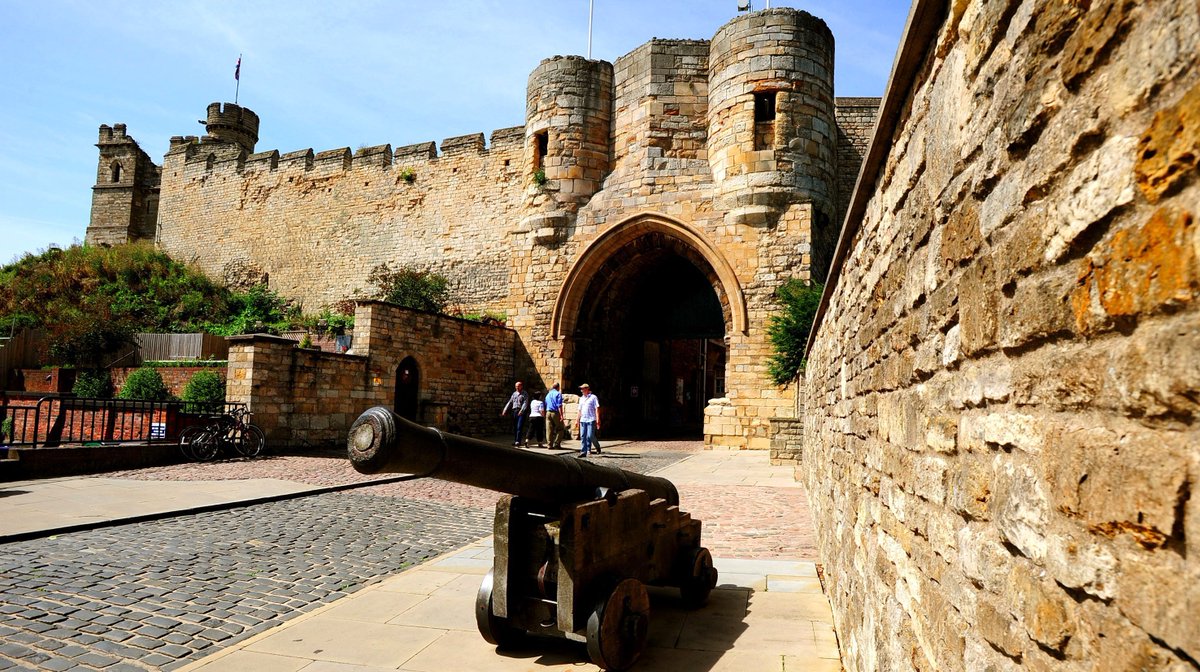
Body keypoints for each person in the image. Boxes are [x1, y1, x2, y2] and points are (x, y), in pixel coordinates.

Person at [500, 381, 530, 446]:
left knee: (519, 426)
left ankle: (518, 441)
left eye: (518, 386)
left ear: (521, 386)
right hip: (514, 411)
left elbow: (525, 403)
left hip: (521, 411)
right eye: (516, 386)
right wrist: (505, 409)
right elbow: (510, 402)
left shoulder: (525, 394)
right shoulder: (514, 394)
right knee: (515, 427)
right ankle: (516, 440)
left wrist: (521, 411)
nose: (517, 387)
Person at [577, 383, 600, 457]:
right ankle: (584, 451)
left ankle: (597, 447)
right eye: (581, 389)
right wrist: (577, 419)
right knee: (583, 435)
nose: (581, 390)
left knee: (590, 436)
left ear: (587, 389)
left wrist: (598, 419)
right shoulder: (581, 398)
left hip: (591, 419)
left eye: (582, 388)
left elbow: (597, 408)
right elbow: (579, 410)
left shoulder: (593, 397)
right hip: (583, 419)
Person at [545, 382, 565, 449]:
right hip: (555, 413)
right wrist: (561, 415)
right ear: (558, 387)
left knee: (549, 429)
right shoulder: (558, 394)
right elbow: (559, 405)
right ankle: (556, 443)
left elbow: (545, 403)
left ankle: (549, 445)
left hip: (548, 412)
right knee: (560, 428)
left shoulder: (548, 394)